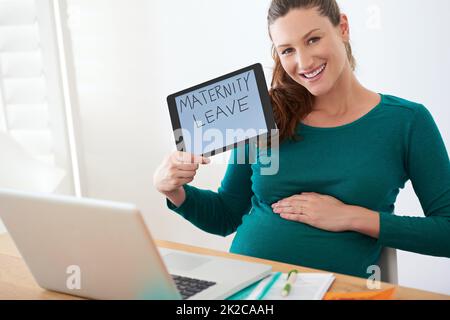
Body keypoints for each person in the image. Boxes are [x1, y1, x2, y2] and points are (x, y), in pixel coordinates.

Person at [153, 0, 450, 278]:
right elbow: (226, 216)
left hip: (336, 291)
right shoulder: (262, 112)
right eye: (287, 50)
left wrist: (352, 217)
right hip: (246, 286)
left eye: (313, 39)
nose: (304, 62)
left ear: (342, 28)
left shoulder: (407, 121)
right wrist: (175, 192)